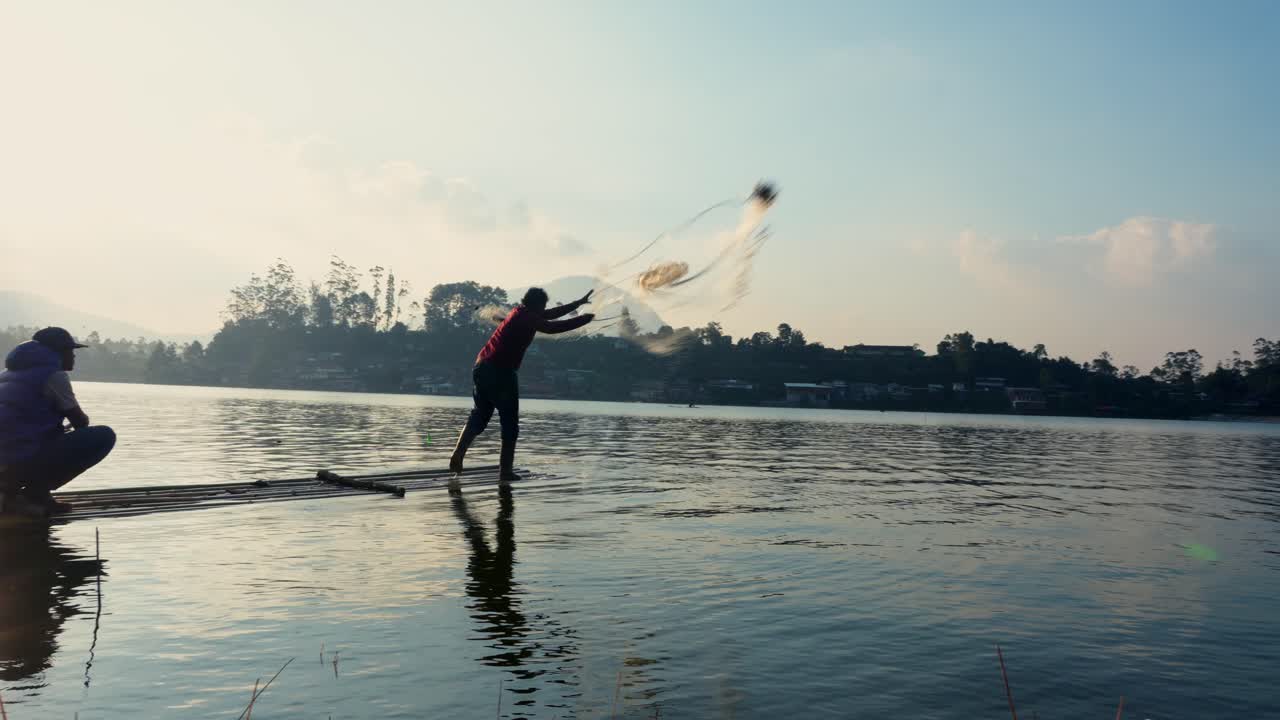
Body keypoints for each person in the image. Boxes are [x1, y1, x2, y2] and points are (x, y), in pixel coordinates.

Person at [449, 288, 593, 481]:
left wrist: (578, 303)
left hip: (481, 367)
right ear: (535, 305)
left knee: (480, 415)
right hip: (501, 372)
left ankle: (458, 453)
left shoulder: (520, 312)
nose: (543, 310)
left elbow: (549, 315)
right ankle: (505, 471)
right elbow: (551, 327)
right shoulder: (526, 317)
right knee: (509, 422)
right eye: (542, 306)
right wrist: (583, 320)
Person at [0, 327, 116, 516]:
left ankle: (10, 491)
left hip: (7, 458)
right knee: (103, 436)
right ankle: (34, 494)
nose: (73, 356)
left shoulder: (6, 374)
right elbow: (79, 421)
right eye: (70, 351)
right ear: (58, 353)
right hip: (19, 459)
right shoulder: (54, 376)